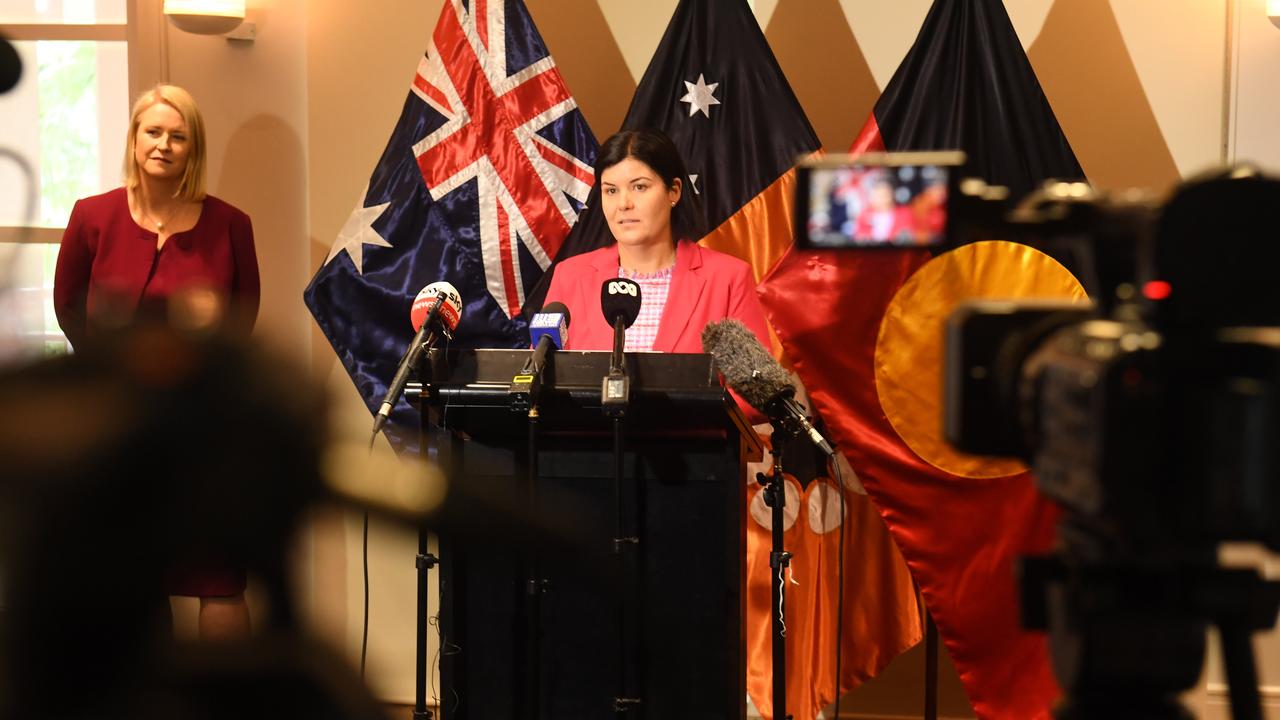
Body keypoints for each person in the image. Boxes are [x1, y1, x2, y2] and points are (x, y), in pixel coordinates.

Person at [53, 83, 260, 639]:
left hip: (205, 431)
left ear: (193, 148)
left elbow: (241, 321)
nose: (163, 145)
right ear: (134, 138)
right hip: (116, 431)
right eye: (153, 132)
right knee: (128, 578)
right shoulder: (91, 217)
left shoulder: (231, 225)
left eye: (178, 135)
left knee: (216, 577)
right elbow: (69, 305)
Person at [544, 128, 769, 355]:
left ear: (674, 191)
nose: (623, 204)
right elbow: (540, 375)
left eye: (639, 187)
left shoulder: (728, 279)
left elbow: (752, 387)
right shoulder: (570, 276)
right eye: (611, 190)